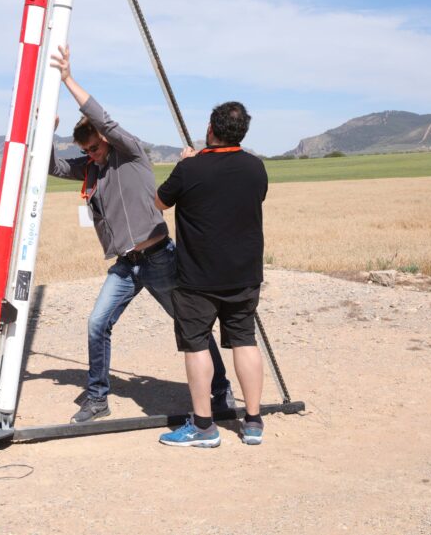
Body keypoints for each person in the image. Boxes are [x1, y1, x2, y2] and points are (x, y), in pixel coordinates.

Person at [48, 45, 234, 423]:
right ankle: (97, 399)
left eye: (95, 147)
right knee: (97, 323)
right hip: (125, 266)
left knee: (190, 326)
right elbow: (52, 166)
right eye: (86, 150)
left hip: (159, 259)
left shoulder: (130, 153)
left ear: (106, 139)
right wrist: (45, 132)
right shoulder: (91, 167)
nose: (92, 154)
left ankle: (221, 391)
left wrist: (67, 79)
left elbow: (104, 120)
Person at [155, 101, 268, 447]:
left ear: (210, 129)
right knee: (245, 340)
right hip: (244, 274)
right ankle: (253, 422)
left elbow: (160, 202)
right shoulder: (256, 167)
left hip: (197, 278)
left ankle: (204, 426)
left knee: (196, 345)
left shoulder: (190, 168)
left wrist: (185, 163)